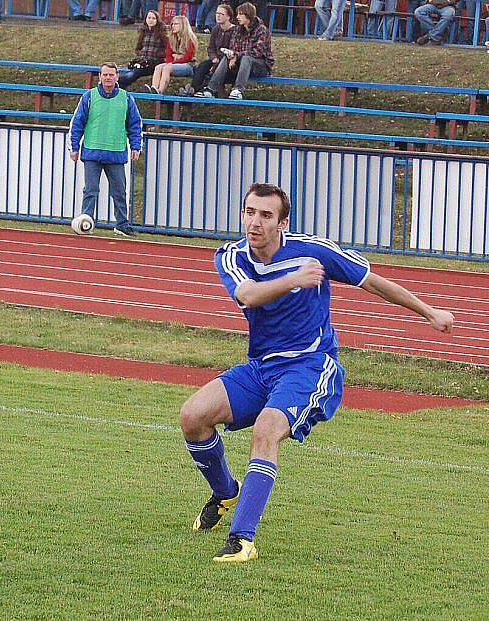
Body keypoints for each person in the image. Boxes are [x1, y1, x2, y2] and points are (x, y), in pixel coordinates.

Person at [180, 183, 454, 563]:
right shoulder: (232, 256)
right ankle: (226, 491)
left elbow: (374, 283)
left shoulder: (314, 250)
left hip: (311, 366)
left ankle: (242, 539)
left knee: (267, 429)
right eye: (249, 212)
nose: (255, 222)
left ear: (282, 222)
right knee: (192, 416)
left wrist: (430, 312)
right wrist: (295, 279)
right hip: (262, 367)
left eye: (266, 215)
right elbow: (249, 296)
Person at [69, 62, 143, 238]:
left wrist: (136, 146)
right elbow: (77, 123)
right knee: (90, 190)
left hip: (116, 152)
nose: (108, 78)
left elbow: (135, 124)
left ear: (117, 76)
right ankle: (86, 222)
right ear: (100, 77)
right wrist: (74, 147)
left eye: (111, 75)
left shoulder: (126, 98)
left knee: (119, 191)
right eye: (105, 75)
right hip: (92, 152)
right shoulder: (89, 97)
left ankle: (122, 224)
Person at [181, 4, 236, 97]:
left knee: (212, 70)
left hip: (228, 62)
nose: (218, 16)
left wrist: (219, 60)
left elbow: (234, 49)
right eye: (217, 13)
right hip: (216, 59)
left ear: (228, 17)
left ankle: (201, 91)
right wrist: (213, 57)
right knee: (203, 66)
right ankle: (193, 89)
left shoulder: (235, 30)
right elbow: (211, 47)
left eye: (221, 14)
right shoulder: (216, 29)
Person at [221, 2, 273, 100]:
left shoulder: (261, 30)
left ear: (248, 15)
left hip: (261, 65)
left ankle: (238, 90)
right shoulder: (238, 29)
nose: (237, 17)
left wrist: (237, 55)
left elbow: (257, 52)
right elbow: (233, 47)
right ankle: (211, 88)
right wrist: (232, 56)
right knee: (226, 57)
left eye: (240, 14)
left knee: (246, 58)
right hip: (241, 64)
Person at [148, 15, 198, 95]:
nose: (173, 26)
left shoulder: (190, 39)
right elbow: (168, 55)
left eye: (176, 24)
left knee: (167, 67)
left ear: (183, 25)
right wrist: (171, 61)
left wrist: (174, 62)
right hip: (174, 63)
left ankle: (160, 91)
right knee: (158, 67)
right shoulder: (171, 38)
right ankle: (154, 88)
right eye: (172, 24)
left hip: (188, 65)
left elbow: (188, 57)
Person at [118, 10, 168, 89]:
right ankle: (117, 85)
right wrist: (141, 53)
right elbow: (137, 49)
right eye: (149, 18)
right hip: (143, 61)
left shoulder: (162, 33)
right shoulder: (143, 32)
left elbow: (167, 49)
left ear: (157, 20)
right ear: (146, 19)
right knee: (134, 71)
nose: (151, 20)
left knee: (134, 73)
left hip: (155, 62)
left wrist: (158, 54)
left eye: (153, 18)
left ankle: (117, 84)